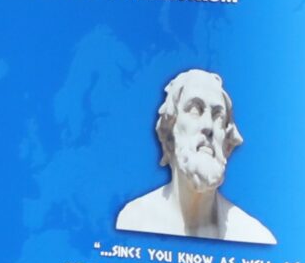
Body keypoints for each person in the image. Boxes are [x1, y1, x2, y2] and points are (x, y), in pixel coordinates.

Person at [114, 68, 275, 244]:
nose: (208, 126)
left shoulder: (252, 236)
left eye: (218, 116)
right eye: (195, 110)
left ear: (227, 144)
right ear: (170, 135)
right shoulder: (135, 221)